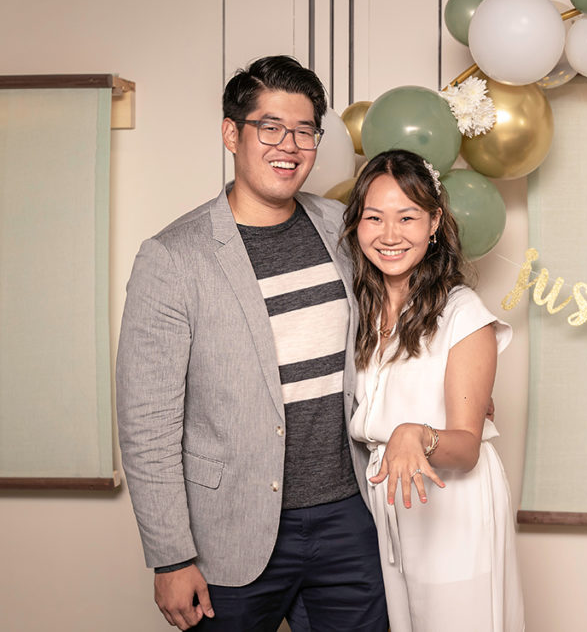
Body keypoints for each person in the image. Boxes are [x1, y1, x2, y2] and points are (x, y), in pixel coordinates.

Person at [116, 55, 387, 631]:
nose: (288, 145)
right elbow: (147, 422)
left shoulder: (343, 228)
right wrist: (171, 556)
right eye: (270, 127)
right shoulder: (173, 257)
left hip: (349, 517)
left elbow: (406, 314)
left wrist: (465, 378)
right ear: (231, 133)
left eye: (305, 130)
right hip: (229, 532)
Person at [341, 148, 525, 632]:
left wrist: (415, 433)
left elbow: (465, 447)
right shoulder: (359, 309)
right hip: (387, 507)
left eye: (407, 217)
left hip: (451, 509)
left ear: (434, 221)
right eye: (374, 218)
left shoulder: (462, 313)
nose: (389, 234)